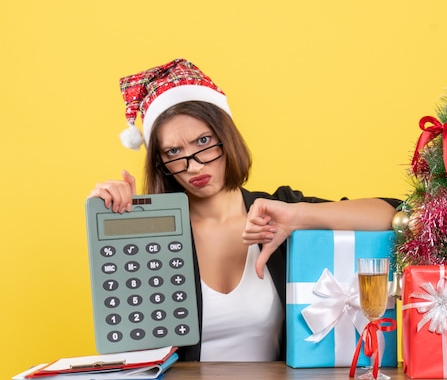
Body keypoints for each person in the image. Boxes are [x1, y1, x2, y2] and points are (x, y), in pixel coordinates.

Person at [88, 59, 400, 362]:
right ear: (162, 163)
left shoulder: (280, 210)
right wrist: (115, 221)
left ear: (227, 138)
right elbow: (128, 337)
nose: (194, 165)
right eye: (174, 152)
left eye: (204, 141)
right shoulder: (153, 236)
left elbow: (394, 216)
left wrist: (298, 217)